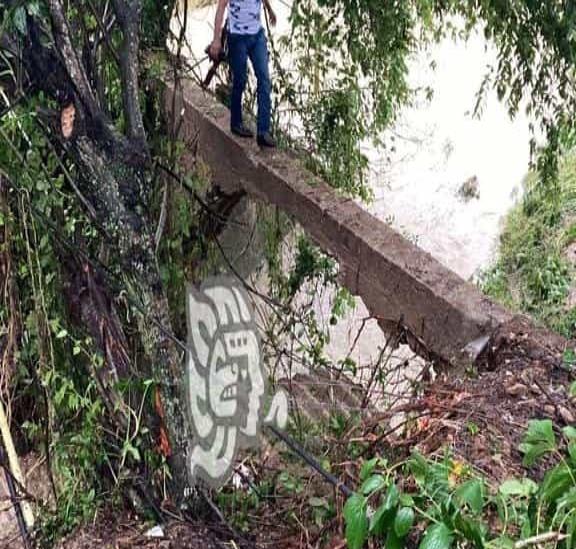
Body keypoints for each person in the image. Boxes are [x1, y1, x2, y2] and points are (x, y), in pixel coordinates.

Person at [209, 0, 276, 148]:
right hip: (237, 38)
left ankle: (263, 131)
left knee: (264, 79)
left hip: (257, 36)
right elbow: (221, 8)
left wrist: (270, 11)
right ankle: (236, 123)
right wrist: (216, 40)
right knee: (240, 80)